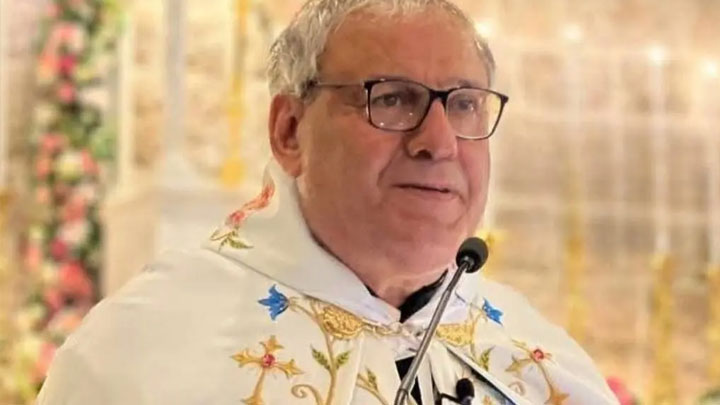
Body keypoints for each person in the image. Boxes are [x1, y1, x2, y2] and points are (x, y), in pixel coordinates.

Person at [37, 0, 619, 404]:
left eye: (464, 104)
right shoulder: (144, 352)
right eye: (392, 99)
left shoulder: (542, 360)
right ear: (289, 131)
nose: (439, 142)